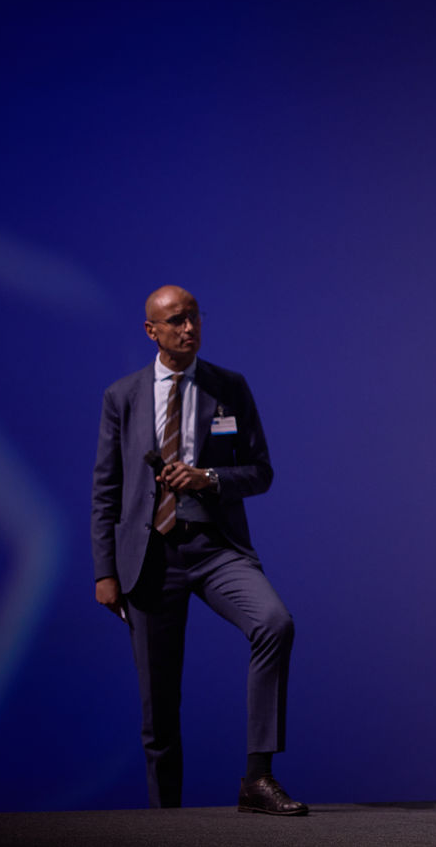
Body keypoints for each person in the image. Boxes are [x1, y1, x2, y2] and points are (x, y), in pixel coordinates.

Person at [91, 285, 306, 815]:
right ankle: (167, 820)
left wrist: (207, 477)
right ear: (152, 331)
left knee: (274, 623)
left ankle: (258, 778)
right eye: (176, 321)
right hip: (148, 556)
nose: (189, 328)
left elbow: (261, 472)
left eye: (194, 318)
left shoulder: (228, 387)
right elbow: (106, 488)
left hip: (215, 548)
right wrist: (105, 572)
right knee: (158, 701)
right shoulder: (123, 396)